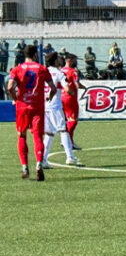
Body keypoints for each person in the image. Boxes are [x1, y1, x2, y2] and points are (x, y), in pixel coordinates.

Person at [6, 45, 57, 181]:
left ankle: (24, 167)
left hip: (22, 107)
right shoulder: (42, 69)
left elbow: (10, 87)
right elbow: (53, 88)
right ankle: (39, 164)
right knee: (38, 136)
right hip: (37, 107)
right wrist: (49, 97)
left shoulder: (17, 69)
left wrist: (16, 99)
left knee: (22, 136)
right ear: (35, 55)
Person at [40, 53, 79, 169]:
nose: (60, 60)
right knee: (64, 130)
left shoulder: (43, 72)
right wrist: (71, 92)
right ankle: (70, 157)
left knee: (49, 133)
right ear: (54, 61)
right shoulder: (59, 73)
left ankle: (43, 159)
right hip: (55, 106)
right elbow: (66, 88)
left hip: (44, 106)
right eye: (58, 58)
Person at [61, 54, 85, 150]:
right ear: (69, 60)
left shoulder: (61, 70)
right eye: (75, 60)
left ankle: (68, 140)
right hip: (70, 98)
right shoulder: (73, 71)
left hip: (61, 97)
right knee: (73, 121)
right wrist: (85, 87)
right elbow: (77, 84)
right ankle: (67, 140)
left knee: (66, 120)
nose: (76, 62)